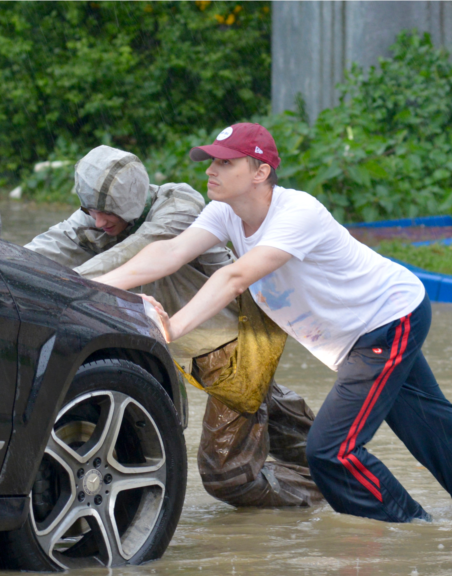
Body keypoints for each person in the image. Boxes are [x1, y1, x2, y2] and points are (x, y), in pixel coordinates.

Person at [93, 123, 452, 522]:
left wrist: (169, 329)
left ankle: (413, 531)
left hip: (387, 321)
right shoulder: (225, 212)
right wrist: (88, 287)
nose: (211, 170)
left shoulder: (296, 213)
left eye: (225, 163)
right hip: (360, 336)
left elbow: (235, 277)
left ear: (260, 171)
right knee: (433, 429)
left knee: (331, 452)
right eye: (211, 161)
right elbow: (169, 253)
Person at [26, 145, 323, 507]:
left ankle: (331, 494)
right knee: (287, 425)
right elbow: (38, 254)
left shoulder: (179, 206)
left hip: (240, 345)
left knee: (228, 476)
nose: (100, 222)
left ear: (131, 203)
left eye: (109, 213)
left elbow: (134, 256)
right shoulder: (93, 220)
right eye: (92, 211)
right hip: (197, 351)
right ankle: (345, 467)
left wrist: (68, 286)